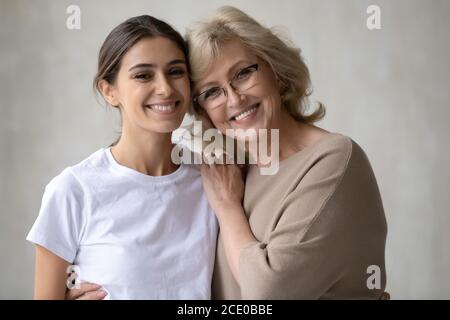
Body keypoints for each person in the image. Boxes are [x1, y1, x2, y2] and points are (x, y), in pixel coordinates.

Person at [186, 6, 387, 299]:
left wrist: (228, 207)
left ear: (276, 73)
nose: (234, 99)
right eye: (212, 92)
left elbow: (268, 294)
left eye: (242, 74)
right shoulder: (230, 171)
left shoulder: (334, 159)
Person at [26, 15, 217, 300]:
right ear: (109, 91)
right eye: (143, 75)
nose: (165, 88)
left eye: (175, 72)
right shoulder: (74, 190)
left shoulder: (212, 178)